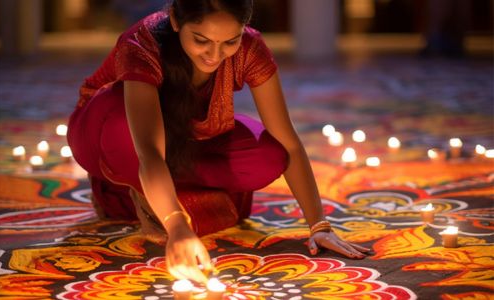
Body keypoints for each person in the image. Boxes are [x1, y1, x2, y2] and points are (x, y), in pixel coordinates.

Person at [67, 0, 370, 284]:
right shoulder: (142, 44)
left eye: (229, 41)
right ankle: (125, 189)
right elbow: (147, 150)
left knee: (267, 156)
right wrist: (177, 225)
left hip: (185, 136)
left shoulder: (250, 48)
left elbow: (288, 142)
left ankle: (161, 194)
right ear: (176, 20)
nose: (215, 55)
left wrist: (319, 226)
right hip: (106, 132)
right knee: (124, 130)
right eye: (201, 40)